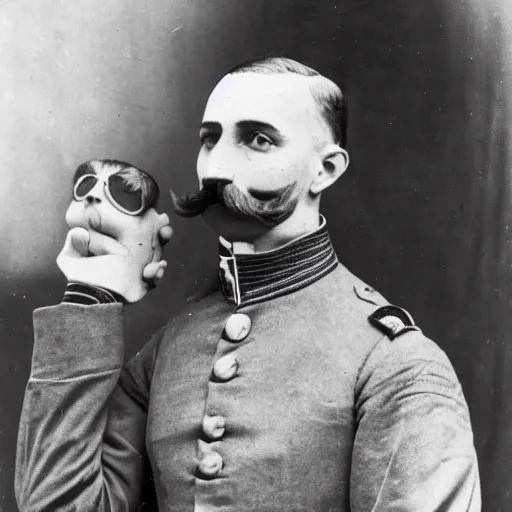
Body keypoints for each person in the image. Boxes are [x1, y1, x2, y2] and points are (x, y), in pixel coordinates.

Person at [15, 57, 481, 511]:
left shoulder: (394, 362)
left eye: (257, 140)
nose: (216, 168)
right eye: (209, 140)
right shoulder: (172, 348)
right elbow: (58, 505)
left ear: (327, 169)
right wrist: (92, 296)